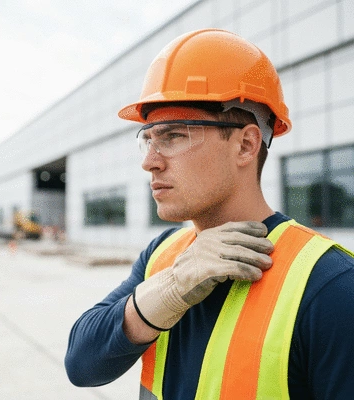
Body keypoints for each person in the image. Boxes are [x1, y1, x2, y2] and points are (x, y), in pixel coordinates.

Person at [65, 29, 354, 399]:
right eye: (148, 140)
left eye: (174, 136)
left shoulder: (329, 285)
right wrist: (170, 289)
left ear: (246, 145)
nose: (150, 162)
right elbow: (81, 364)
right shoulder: (163, 255)